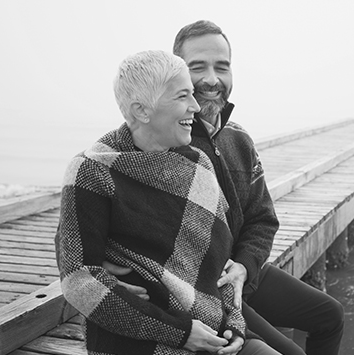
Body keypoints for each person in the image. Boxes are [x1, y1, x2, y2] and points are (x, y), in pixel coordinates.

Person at [107, 21, 345, 355]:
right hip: (200, 286)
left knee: (330, 314)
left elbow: (262, 218)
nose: (211, 79)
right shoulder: (164, 138)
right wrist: (99, 264)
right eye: (196, 68)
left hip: (240, 274)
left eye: (222, 67)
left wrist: (245, 266)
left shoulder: (239, 139)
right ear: (177, 74)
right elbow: (93, 199)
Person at [55, 50, 281, 355]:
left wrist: (236, 324)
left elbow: (220, 265)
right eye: (182, 96)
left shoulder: (198, 163)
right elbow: (79, 280)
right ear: (142, 110)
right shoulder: (91, 170)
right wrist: (181, 333)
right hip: (139, 342)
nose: (196, 106)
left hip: (214, 333)